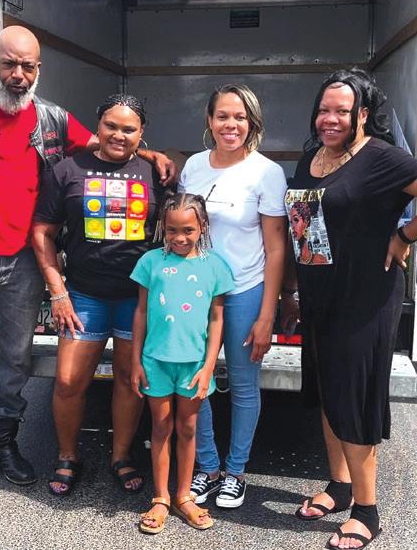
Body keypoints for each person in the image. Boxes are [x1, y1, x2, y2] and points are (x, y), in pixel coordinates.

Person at [0, 26, 176, 520]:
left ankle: (3, 445)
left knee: (15, 361)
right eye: (9, 64)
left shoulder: (51, 118)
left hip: (24, 263)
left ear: (39, 69)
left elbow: (108, 142)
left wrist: (150, 153)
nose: (18, 74)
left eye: (28, 66)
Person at [280, 68, 417, 549]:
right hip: (320, 294)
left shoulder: (381, 157)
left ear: (362, 114)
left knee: (353, 397)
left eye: (341, 111)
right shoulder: (311, 157)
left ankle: (367, 511)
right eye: (324, 110)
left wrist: (405, 235)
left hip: (364, 297)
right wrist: (293, 291)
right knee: (327, 392)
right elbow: (304, 228)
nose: (330, 119)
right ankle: (339, 486)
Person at [32, 94, 167, 495]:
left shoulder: (156, 173)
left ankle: (121, 456)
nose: (119, 135)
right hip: (84, 296)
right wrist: (58, 292)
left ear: (142, 133)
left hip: (135, 300)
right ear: (98, 126)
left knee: (129, 380)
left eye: (129, 129)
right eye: (111, 126)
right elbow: (42, 232)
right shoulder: (67, 170)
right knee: (68, 381)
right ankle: (67, 456)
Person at [179, 84, 287, 508]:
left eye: (240, 117)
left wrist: (267, 314)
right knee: (196, 380)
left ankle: (236, 472)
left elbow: (276, 248)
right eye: (223, 116)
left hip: (245, 289)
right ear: (209, 120)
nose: (231, 125)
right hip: (197, 292)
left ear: (252, 122)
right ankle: (207, 468)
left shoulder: (266, 173)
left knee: (243, 384)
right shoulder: (193, 167)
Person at [130, 192, 234, 533]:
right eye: (172, 229)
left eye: (188, 230)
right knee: (160, 427)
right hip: (155, 362)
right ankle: (161, 497)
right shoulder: (150, 263)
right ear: (163, 226)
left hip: (194, 365)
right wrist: (135, 360)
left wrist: (209, 366)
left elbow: (217, 319)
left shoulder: (215, 266)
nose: (179, 237)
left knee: (188, 429)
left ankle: (184, 495)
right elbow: (141, 312)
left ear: (202, 226)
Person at [289, 201, 329, 265]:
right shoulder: (293, 257)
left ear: (306, 222)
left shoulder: (320, 259)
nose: (293, 226)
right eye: (291, 222)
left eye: (296, 220)